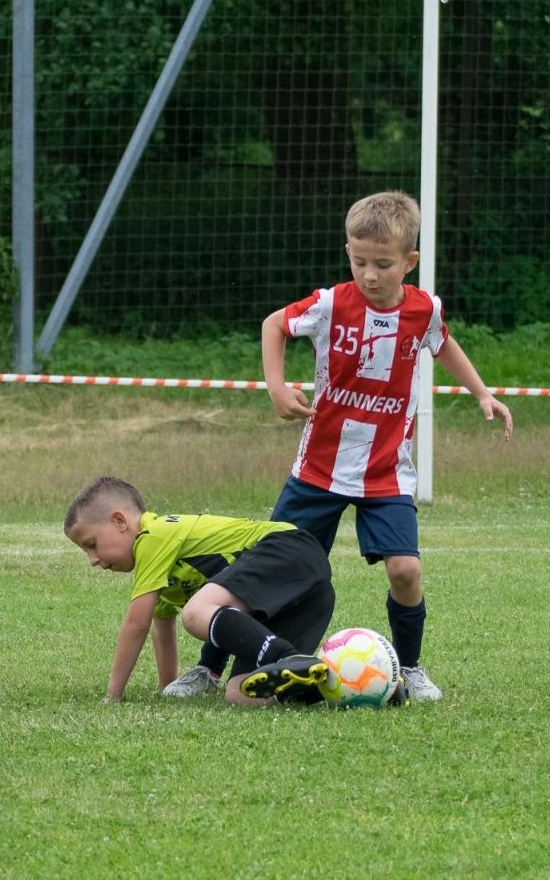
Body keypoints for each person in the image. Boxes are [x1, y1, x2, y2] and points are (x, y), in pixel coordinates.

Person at [261, 190, 513, 702]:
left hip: (386, 471)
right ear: (347, 252)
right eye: (359, 262)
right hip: (319, 468)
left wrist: (482, 393)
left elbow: (443, 343)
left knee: (406, 569)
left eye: (383, 264)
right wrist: (276, 386)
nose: (369, 275)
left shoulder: (423, 310)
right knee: (274, 567)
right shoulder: (331, 303)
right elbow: (275, 324)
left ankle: (410, 668)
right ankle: (212, 665)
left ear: (409, 261)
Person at [63, 475, 339, 707]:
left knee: (195, 612)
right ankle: (328, 685)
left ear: (119, 521)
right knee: (240, 693)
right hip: (303, 595)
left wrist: (113, 694)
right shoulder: (162, 575)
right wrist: (167, 687)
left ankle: (284, 657)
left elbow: (137, 623)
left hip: (287, 547)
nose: (93, 560)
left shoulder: (153, 535)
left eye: (92, 544)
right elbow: (162, 628)